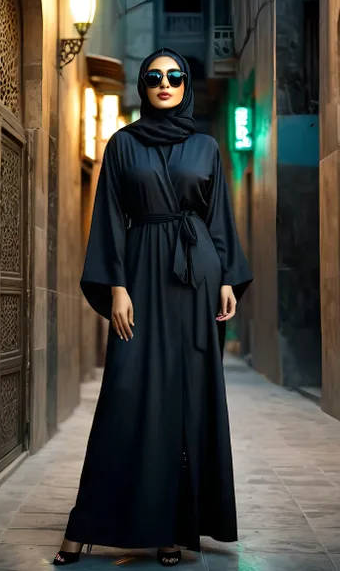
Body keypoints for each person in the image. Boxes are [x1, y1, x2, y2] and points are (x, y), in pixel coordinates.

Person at [53, 48, 252, 567]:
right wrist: (116, 286)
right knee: (127, 392)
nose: (165, 83)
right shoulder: (122, 145)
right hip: (139, 275)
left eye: (175, 76)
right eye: (154, 77)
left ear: (186, 83)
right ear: (143, 86)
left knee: (186, 399)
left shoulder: (206, 146)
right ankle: (87, 522)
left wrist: (227, 276)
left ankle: (173, 528)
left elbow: (218, 218)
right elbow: (110, 218)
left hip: (195, 281)